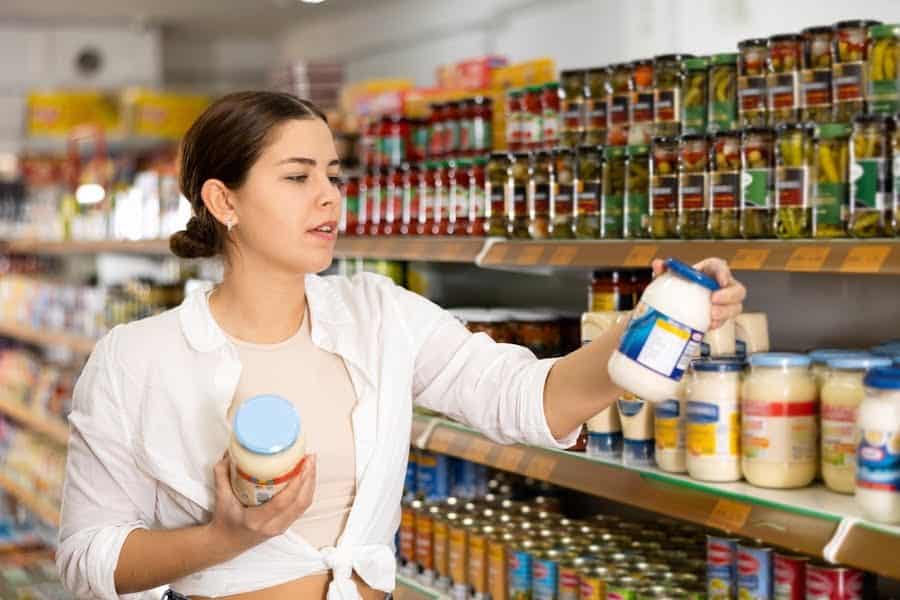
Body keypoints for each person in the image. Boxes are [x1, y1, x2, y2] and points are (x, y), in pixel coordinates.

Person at [57, 91, 746, 600]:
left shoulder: (377, 316)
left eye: (333, 175)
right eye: (298, 177)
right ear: (223, 201)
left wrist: (659, 318)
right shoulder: (138, 358)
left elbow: (524, 397)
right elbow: (87, 556)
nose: (329, 196)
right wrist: (224, 539)